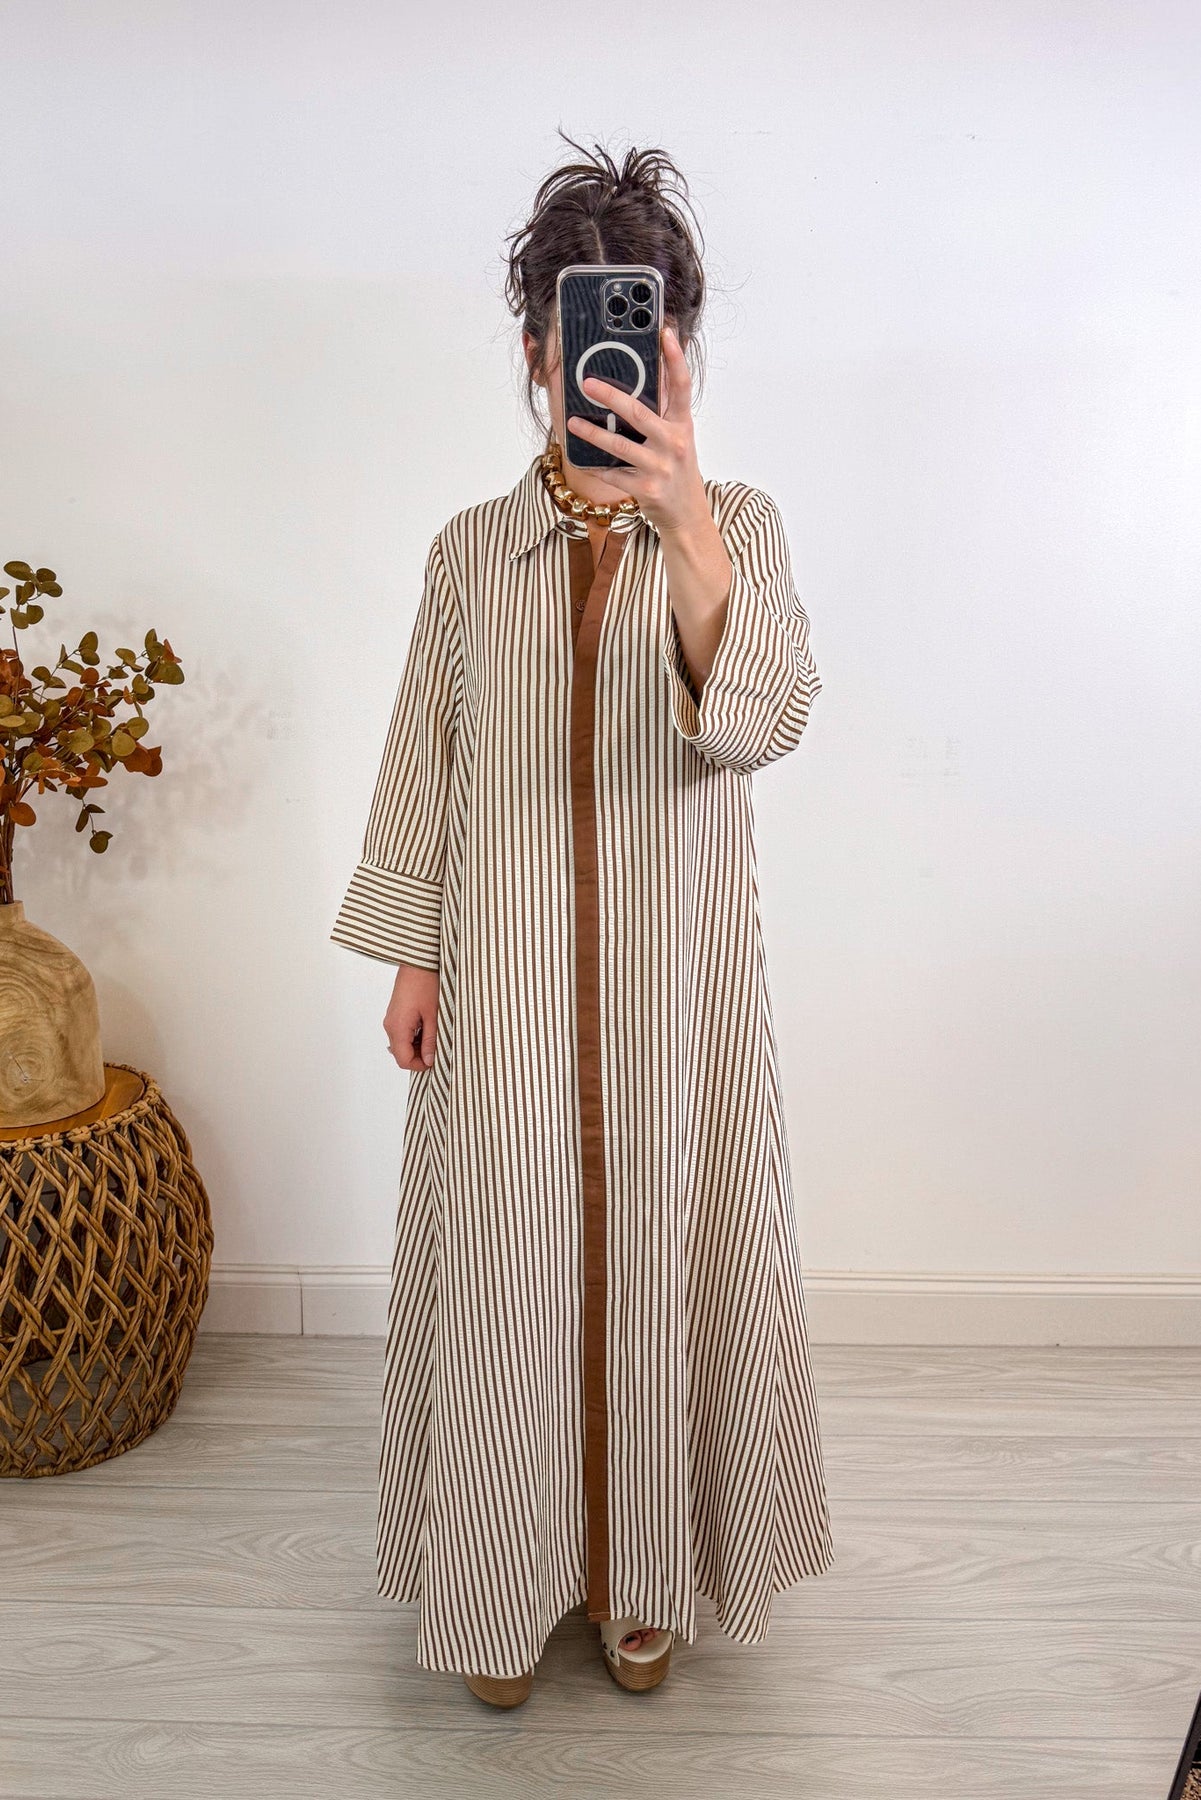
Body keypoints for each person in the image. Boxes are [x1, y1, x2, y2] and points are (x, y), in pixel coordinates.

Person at [329, 135, 835, 1709]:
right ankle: (500, 1586)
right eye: (570, 321)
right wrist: (413, 952)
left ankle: (640, 1583)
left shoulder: (737, 525)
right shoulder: (468, 553)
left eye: (633, 323)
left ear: (671, 349)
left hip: (677, 992)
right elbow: (424, 754)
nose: (595, 353)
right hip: (506, 983)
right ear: (537, 345)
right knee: (510, 1269)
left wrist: (685, 525)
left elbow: (760, 724)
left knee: (664, 1256)